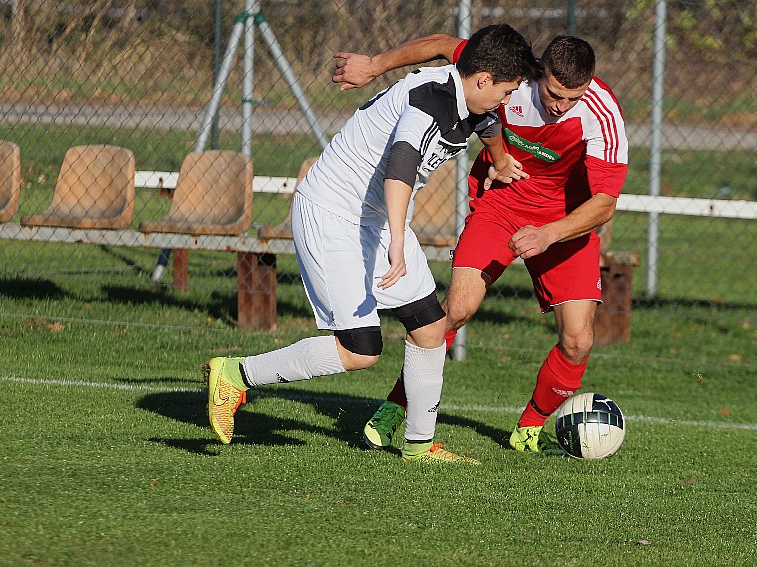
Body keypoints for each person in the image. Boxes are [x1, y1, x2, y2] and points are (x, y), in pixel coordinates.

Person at [205, 23, 539, 464]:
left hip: (375, 218)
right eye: (506, 91)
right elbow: (399, 169)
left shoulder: (471, 89)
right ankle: (235, 374)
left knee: (430, 328)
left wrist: (499, 161)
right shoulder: (429, 105)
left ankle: (419, 446)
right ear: (482, 79)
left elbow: (485, 116)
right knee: (360, 350)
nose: (508, 101)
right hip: (332, 216)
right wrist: (398, 242)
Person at [333, 32, 628, 454]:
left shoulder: (602, 115)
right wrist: (375, 65)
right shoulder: (515, 73)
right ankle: (398, 407)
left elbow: (604, 204)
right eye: (554, 94)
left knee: (578, 340)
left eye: (572, 98)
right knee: (455, 309)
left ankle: (530, 427)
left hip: (564, 224)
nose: (561, 106)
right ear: (539, 70)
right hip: (501, 206)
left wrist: (548, 234)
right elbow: (439, 43)